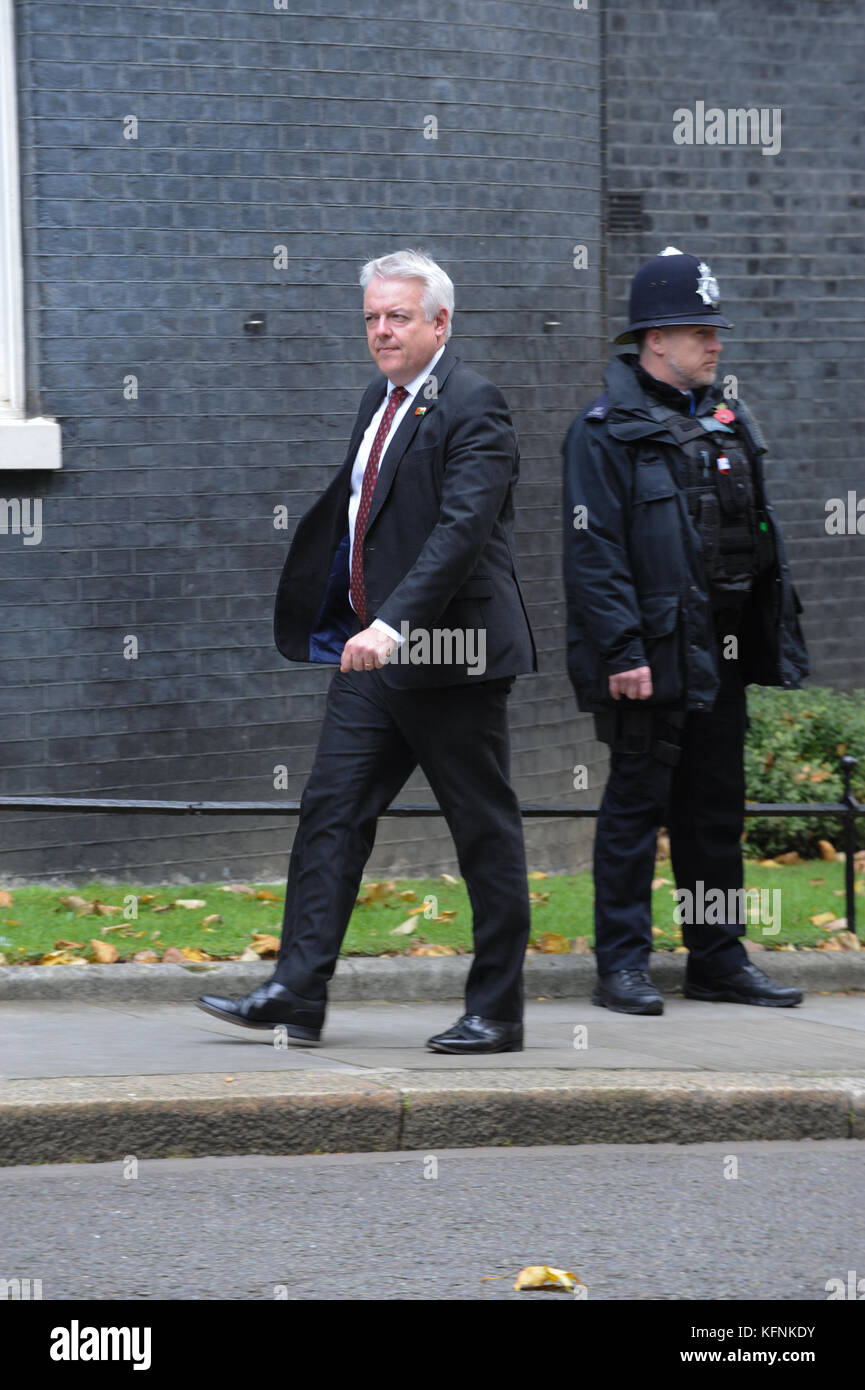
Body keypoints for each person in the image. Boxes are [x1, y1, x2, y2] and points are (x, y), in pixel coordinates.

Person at [199, 249, 536, 1052]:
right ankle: (296, 992)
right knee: (331, 812)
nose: (381, 331)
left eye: (398, 317)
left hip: (447, 654)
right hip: (371, 658)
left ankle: (498, 1011)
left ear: (439, 322)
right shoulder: (377, 401)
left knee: (480, 829)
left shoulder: (473, 405)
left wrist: (392, 624)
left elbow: (461, 533)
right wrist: (355, 619)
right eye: (372, 319)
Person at [562, 246, 809, 1015]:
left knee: (714, 811)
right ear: (653, 339)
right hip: (651, 657)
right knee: (635, 807)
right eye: (698, 329)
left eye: (713, 328)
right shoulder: (603, 431)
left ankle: (717, 960)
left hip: (720, 653)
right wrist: (622, 652)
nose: (714, 342)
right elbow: (592, 551)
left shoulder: (727, 424)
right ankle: (622, 968)